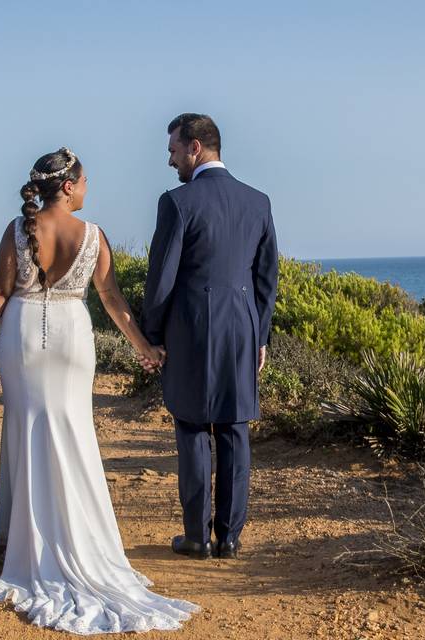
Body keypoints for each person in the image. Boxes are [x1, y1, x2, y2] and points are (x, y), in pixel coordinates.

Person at [0, 147, 198, 634]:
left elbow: (1, 290)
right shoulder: (93, 236)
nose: (89, 187)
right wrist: (144, 347)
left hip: (22, 337)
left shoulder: (16, 230)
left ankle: (25, 540)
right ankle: (77, 540)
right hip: (72, 338)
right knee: (72, 432)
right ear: (67, 186)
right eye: (85, 180)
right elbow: (112, 300)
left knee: (27, 429)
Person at [141, 114, 279, 560]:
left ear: (195, 147)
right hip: (242, 328)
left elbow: (161, 279)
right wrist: (260, 335)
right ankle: (231, 537)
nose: (170, 160)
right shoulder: (258, 202)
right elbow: (266, 279)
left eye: (174, 150)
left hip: (192, 331)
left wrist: (153, 335)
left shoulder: (177, 202)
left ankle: (198, 537)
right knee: (235, 431)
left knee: (193, 428)